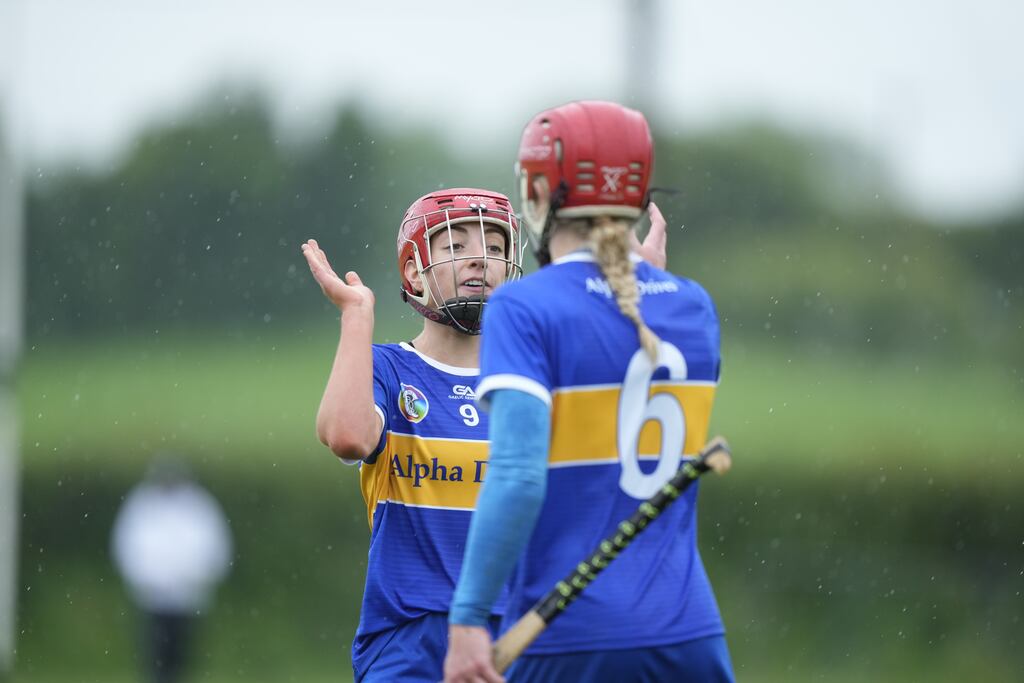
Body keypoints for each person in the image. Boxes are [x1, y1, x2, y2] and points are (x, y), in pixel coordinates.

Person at [302, 186, 667, 683]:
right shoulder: (390, 368)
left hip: (520, 633)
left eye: (495, 249)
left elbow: (633, 434)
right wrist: (357, 316)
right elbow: (346, 435)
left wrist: (638, 300)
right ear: (413, 271)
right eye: (455, 246)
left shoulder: (535, 377)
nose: (480, 260)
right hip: (410, 638)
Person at [444, 101, 736, 683]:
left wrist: (469, 617)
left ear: (536, 192)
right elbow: (624, 322)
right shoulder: (693, 305)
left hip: (569, 637)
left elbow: (519, 477)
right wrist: (645, 278)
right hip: (691, 638)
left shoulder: (522, 307)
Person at [111, 455, 233, 683]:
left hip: (188, 598)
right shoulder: (143, 505)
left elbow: (213, 547)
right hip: (153, 598)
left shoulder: (197, 506)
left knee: (182, 657)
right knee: (155, 656)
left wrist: (198, 577)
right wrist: (146, 579)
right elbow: (129, 546)